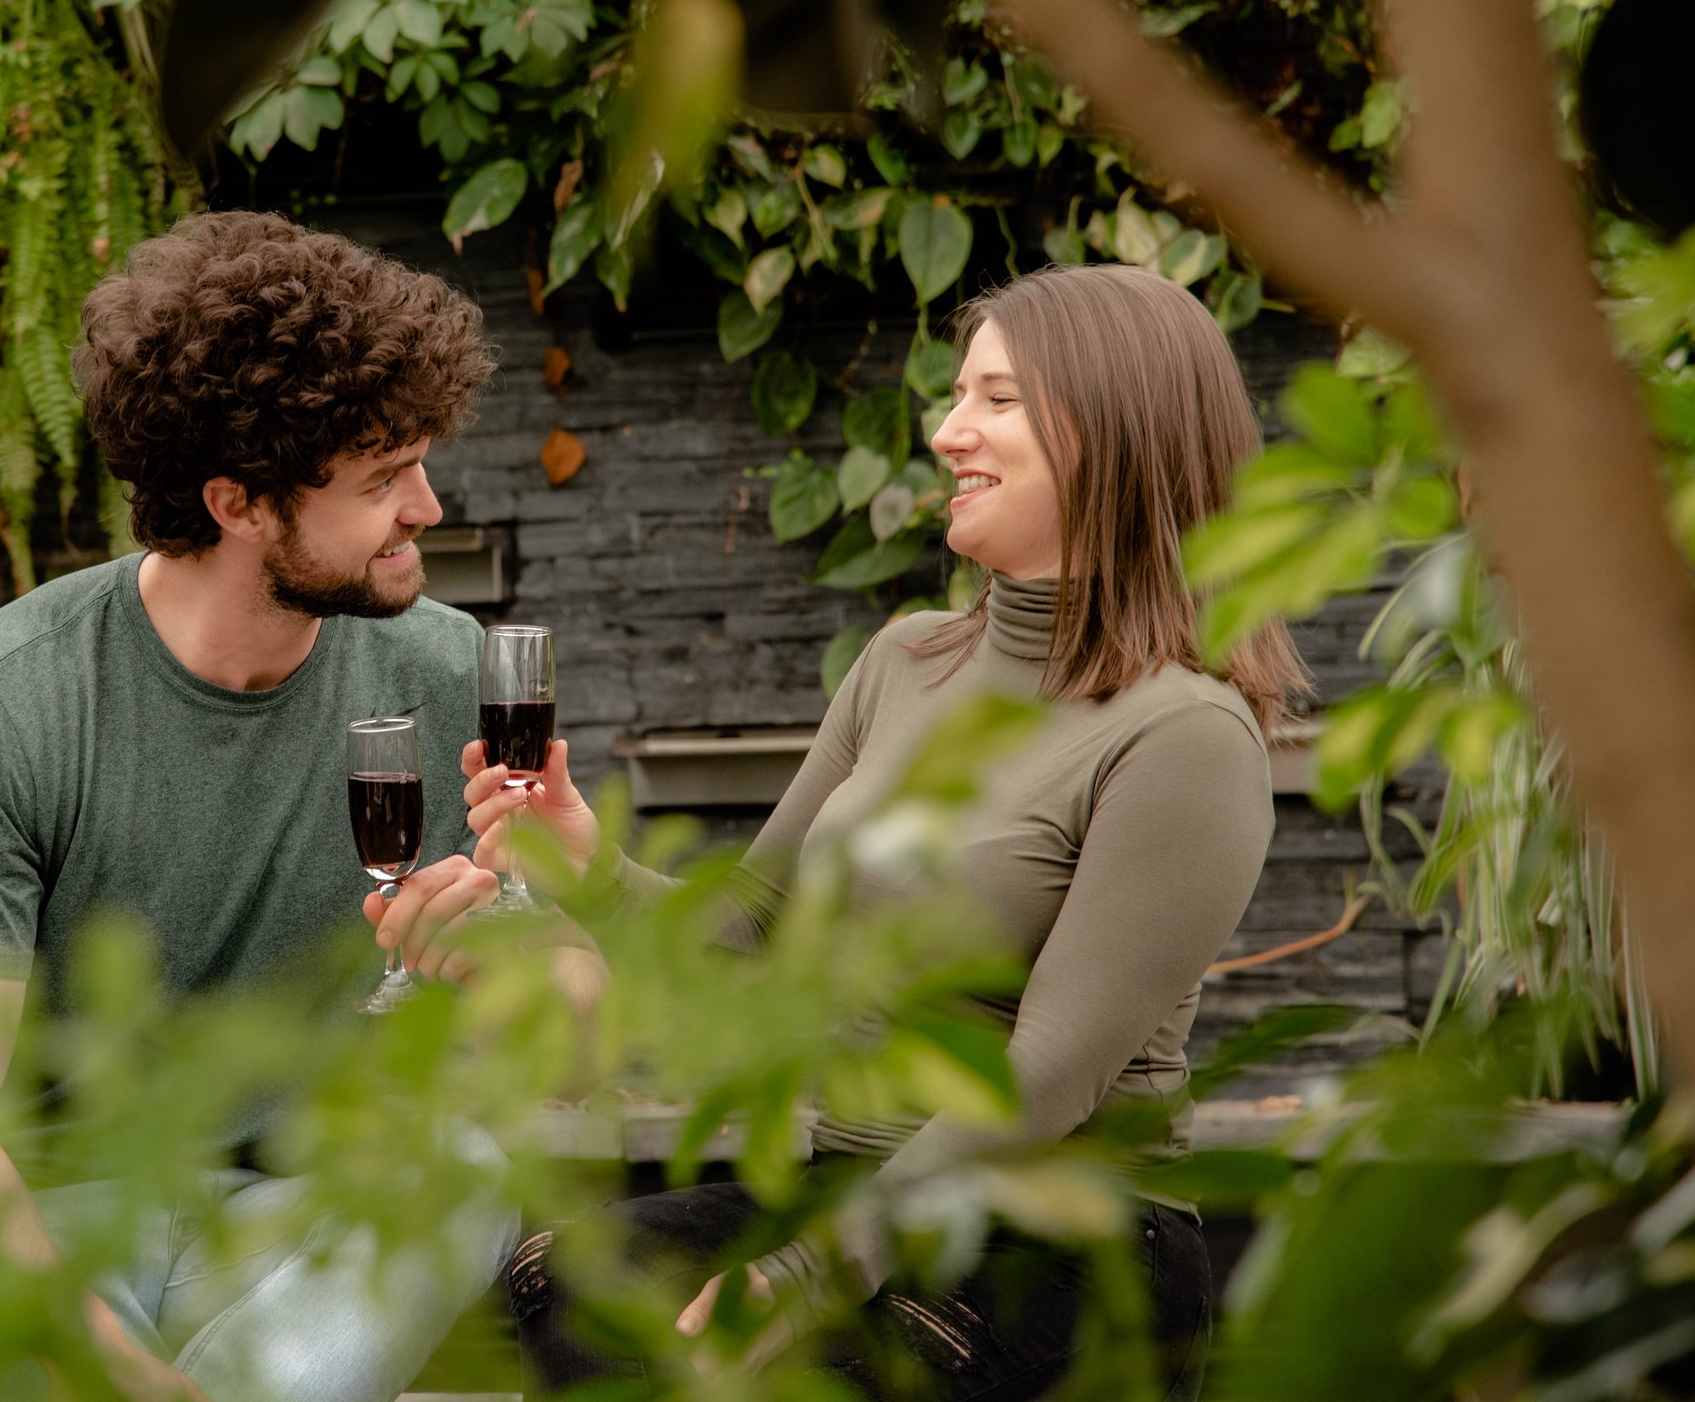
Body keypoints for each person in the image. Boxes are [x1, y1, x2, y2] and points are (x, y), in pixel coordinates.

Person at [482, 263, 1309, 1398]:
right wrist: (591, 866)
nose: (944, 429)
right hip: (843, 1186)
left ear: (1117, 430)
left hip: (1053, 1241)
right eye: (956, 395)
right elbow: (756, 927)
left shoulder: (1188, 734)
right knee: (570, 1271)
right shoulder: (906, 660)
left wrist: (810, 1275)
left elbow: (1040, 1087)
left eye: (995, 399)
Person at [0, 210, 605, 1402]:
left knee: (460, 1169)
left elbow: (568, 1047)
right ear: (239, 502)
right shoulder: (9, 700)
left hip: (296, 1232)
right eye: (383, 477)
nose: (429, 508)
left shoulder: (451, 676)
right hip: (39, 1228)